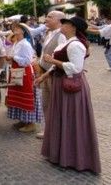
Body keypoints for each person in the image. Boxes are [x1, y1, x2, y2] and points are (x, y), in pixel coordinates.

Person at [35, 16, 101, 174]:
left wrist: (52, 61)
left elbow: (76, 68)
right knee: (61, 118)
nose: (62, 26)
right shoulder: (66, 43)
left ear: (73, 27)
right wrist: (45, 75)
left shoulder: (76, 45)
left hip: (70, 86)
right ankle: (60, 153)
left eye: (66, 24)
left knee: (72, 120)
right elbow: (58, 65)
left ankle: (73, 157)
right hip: (61, 83)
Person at [33, 10, 66, 139]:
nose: (46, 19)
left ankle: (58, 132)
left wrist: (48, 71)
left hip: (53, 74)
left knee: (55, 104)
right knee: (46, 103)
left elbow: (61, 57)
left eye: (49, 17)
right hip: (45, 72)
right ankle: (48, 130)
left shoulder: (62, 35)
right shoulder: (49, 33)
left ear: (59, 20)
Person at [5, 22, 42, 133]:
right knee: (18, 96)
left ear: (23, 31)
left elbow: (26, 61)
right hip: (16, 71)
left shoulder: (25, 44)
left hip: (24, 72)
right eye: (13, 28)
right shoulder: (17, 42)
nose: (14, 29)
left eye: (17, 28)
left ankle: (31, 123)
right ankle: (23, 120)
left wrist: (13, 57)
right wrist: (11, 57)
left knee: (26, 96)